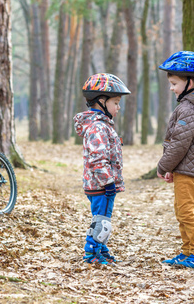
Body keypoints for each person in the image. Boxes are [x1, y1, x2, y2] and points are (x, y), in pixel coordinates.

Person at [156, 51, 194, 268]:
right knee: (181, 210)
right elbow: (178, 142)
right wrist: (172, 167)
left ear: (190, 81)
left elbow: (179, 144)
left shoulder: (190, 108)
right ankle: (188, 251)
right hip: (184, 168)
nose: (171, 88)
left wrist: (163, 166)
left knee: (186, 211)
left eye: (174, 83)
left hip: (188, 170)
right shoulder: (187, 106)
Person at [73, 73, 131, 265]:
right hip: (101, 184)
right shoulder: (98, 127)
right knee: (102, 221)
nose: (118, 107)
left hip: (100, 183)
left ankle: (101, 248)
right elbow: (98, 159)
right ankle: (91, 253)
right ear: (101, 101)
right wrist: (108, 182)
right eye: (116, 102)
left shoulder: (101, 125)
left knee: (103, 219)